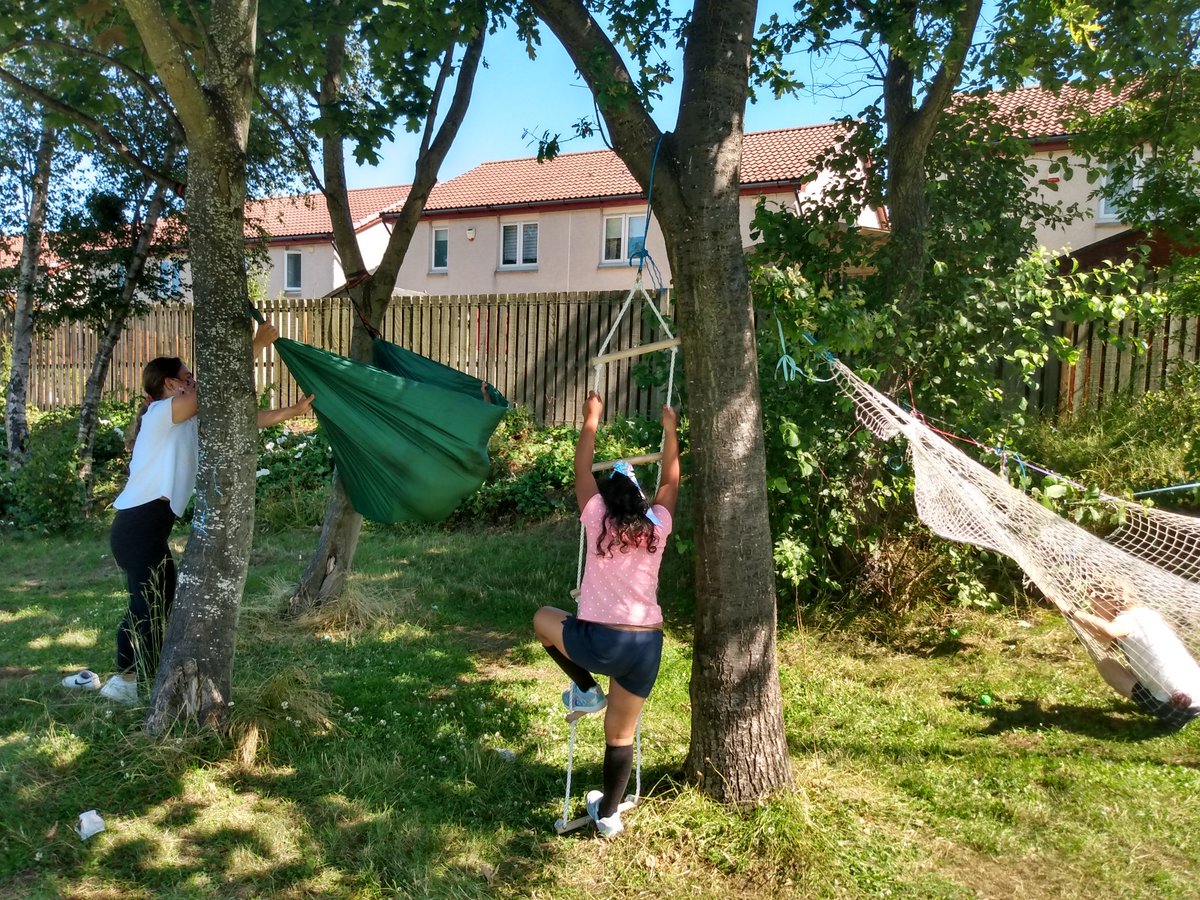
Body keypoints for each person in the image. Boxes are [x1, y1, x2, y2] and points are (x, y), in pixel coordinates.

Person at [63, 320, 312, 704]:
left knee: (156, 599)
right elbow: (217, 385)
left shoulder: (187, 420)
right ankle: (123, 684)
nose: (194, 381)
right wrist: (257, 345)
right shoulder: (163, 413)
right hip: (137, 527)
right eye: (188, 377)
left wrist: (294, 410)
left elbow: (248, 420)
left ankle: (130, 679)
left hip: (147, 528)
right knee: (147, 603)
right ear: (169, 385)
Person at [533, 390, 680, 838]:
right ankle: (610, 814)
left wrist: (591, 420)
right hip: (646, 645)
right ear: (639, 500)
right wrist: (671, 433)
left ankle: (585, 689)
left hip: (600, 643)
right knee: (619, 735)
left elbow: (581, 470)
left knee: (543, 618)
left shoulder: (597, 518)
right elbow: (671, 484)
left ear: (607, 499)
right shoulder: (657, 525)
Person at [1051, 589, 1200, 728]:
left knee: (1106, 666)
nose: (1094, 613)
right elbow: (1105, 641)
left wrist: (1069, 611)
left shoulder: (1127, 621)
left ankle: (1158, 705)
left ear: (1113, 601)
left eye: (1095, 609)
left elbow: (1109, 631)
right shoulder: (1148, 614)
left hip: (1179, 711)